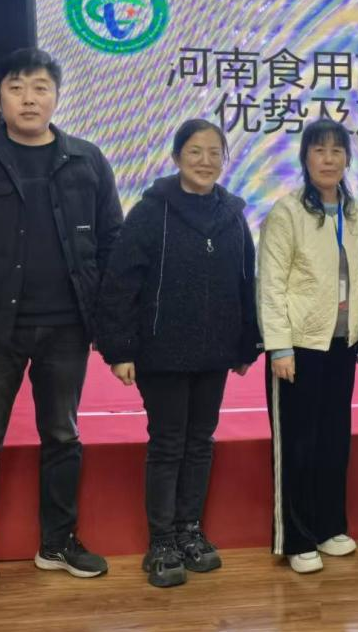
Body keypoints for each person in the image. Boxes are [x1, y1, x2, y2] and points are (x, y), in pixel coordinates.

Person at [0, 48, 122, 612]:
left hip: (67, 328)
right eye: (17, 88)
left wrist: (110, 327)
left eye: (40, 87)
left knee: (62, 436)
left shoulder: (87, 159)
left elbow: (112, 244)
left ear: (57, 96)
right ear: (0, 97)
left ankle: (57, 543)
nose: (29, 99)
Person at [95, 118, 261, 587]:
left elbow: (245, 280)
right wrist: (120, 349)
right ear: (176, 157)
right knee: (168, 443)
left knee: (201, 442)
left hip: (215, 352)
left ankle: (190, 530)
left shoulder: (233, 213)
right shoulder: (151, 212)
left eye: (214, 153)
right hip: (161, 352)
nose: (205, 161)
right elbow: (120, 283)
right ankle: (162, 541)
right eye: (195, 151)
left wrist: (247, 342)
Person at [258, 119, 358, 574]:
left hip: (341, 343)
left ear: (347, 159)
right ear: (305, 158)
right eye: (319, 150)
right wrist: (279, 347)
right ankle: (297, 537)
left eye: (337, 150)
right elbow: (271, 284)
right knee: (298, 445)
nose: (329, 159)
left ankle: (328, 526)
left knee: (333, 440)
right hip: (299, 347)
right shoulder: (287, 212)